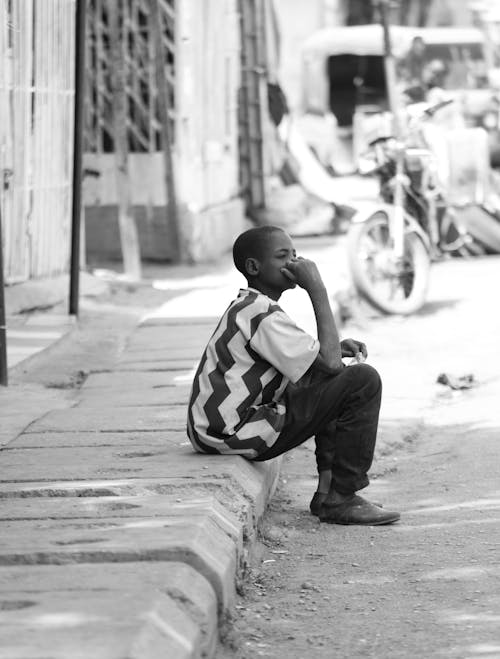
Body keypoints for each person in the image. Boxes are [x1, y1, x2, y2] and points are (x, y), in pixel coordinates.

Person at [187, 226, 400, 525]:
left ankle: (328, 492)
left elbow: (320, 361)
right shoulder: (260, 314)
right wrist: (318, 289)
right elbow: (331, 364)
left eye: (295, 255)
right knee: (362, 381)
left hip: (220, 428)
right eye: (282, 256)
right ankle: (343, 496)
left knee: (332, 383)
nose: (294, 263)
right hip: (233, 431)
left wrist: (333, 351)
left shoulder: (253, 307)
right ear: (253, 267)